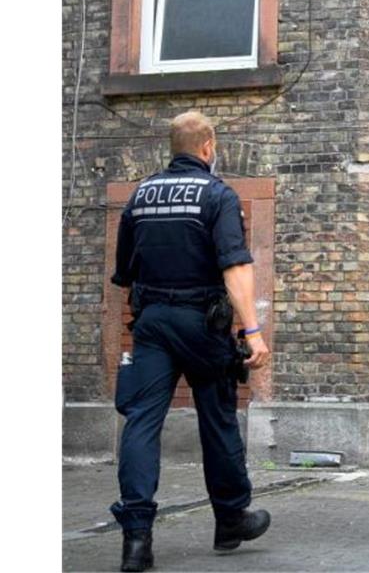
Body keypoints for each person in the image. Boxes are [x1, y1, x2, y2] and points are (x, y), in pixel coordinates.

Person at [110, 111, 272, 572]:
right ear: (208, 147)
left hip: (152, 321)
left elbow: (125, 272)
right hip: (202, 322)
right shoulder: (217, 195)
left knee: (142, 422)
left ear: (172, 147)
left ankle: (136, 540)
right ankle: (230, 519)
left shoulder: (140, 196)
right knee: (217, 419)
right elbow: (235, 266)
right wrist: (252, 330)